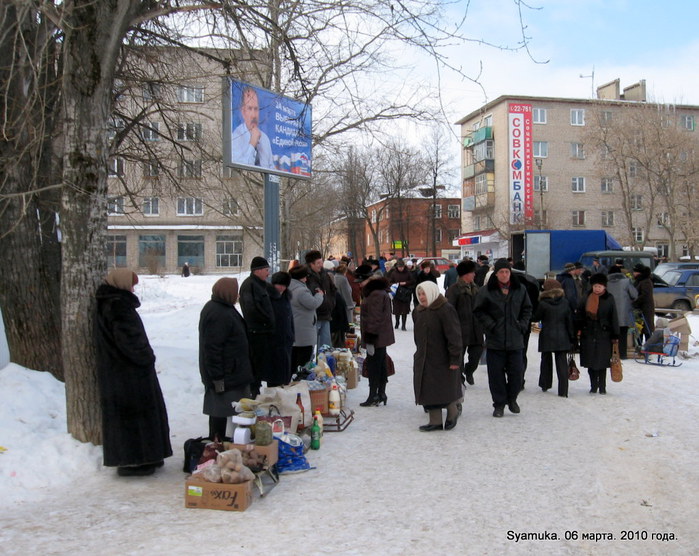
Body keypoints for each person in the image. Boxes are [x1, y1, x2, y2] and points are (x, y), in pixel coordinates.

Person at [94, 268, 172, 476]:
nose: (132, 288)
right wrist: (146, 356)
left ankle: (142, 458)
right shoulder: (118, 305)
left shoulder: (110, 303)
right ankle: (137, 460)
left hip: (120, 372)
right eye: (131, 284)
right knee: (137, 418)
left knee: (131, 418)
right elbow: (129, 340)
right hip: (128, 373)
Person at [474, 258, 532, 418]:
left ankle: (512, 399)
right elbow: (478, 311)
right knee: (496, 376)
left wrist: (522, 325)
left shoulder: (519, 289)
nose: (505, 275)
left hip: (515, 340)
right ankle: (499, 404)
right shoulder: (486, 291)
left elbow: (527, 309)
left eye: (507, 271)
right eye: (501, 272)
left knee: (517, 373)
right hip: (495, 340)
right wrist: (491, 325)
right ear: (496, 273)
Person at [198, 277, 254, 441]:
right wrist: (217, 378)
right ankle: (217, 444)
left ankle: (222, 442)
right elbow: (212, 349)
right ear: (227, 293)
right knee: (219, 411)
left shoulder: (223, 308)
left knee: (225, 410)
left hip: (231, 370)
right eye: (235, 292)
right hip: (225, 373)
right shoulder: (218, 313)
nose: (237, 295)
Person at [413, 281, 463, 431]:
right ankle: (434, 421)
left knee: (444, 388)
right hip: (424, 358)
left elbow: (454, 336)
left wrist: (455, 358)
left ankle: (452, 412)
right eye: (419, 294)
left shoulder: (445, 309)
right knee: (428, 389)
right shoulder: (418, 311)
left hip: (443, 358)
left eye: (424, 294)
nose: (422, 297)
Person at [576, 273, 620, 394]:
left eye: (600, 286)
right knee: (590, 361)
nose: (597, 288)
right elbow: (579, 312)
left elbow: (614, 316)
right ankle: (593, 385)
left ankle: (602, 386)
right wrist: (579, 326)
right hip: (588, 332)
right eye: (595, 286)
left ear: (604, 287)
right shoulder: (586, 296)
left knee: (602, 361)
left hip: (604, 333)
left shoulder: (609, 298)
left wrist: (615, 334)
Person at [239, 256, 276, 396]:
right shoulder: (249, 286)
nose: (268, 273)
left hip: (263, 332)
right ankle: (253, 393)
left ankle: (257, 390)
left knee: (261, 365)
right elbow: (251, 310)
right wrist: (267, 320)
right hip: (256, 333)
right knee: (256, 365)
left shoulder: (261, 284)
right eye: (266, 270)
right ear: (257, 271)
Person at [532, 279, 574, 397]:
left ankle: (545, 384)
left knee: (546, 360)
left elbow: (535, 317)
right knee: (561, 364)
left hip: (547, 335)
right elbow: (569, 321)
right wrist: (572, 337)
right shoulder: (565, 302)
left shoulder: (543, 304)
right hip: (562, 335)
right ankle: (563, 390)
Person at [445, 260, 484, 387]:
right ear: (465, 274)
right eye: (472, 272)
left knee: (476, 355)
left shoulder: (476, 289)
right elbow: (449, 311)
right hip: (460, 329)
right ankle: (460, 377)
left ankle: (469, 370)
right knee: (459, 356)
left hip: (476, 329)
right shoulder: (454, 290)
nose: (474, 275)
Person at [359, 273, 395, 407]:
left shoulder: (375, 294)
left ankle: (374, 395)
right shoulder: (380, 292)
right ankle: (380, 393)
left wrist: (369, 339)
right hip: (381, 336)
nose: (360, 284)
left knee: (374, 366)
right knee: (380, 364)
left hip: (375, 336)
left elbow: (374, 318)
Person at [288, 265, 324, 376]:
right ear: (302, 277)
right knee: (303, 362)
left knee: (294, 360)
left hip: (296, 329)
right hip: (304, 332)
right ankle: (300, 382)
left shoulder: (290, 287)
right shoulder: (301, 291)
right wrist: (320, 295)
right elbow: (312, 304)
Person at [231, 86, 274, 169]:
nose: (253, 115)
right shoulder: (236, 137)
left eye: (256, 109)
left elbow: (271, 170)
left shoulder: (264, 138)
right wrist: (252, 143)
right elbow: (242, 171)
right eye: (250, 109)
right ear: (243, 112)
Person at [305, 250, 337, 349]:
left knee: (326, 346)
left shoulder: (325, 275)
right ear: (311, 264)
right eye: (318, 263)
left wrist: (331, 303)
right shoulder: (307, 277)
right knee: (313, 348)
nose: (321, 265)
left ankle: (325, 364)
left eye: (321, 262)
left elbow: (333, 290)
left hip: (326, 315)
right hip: (315, 316)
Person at [268, 272, 295, 386]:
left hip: (286, 338)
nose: (281, 288)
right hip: (274, 340)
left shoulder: (285, 297)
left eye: (284, 285)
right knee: (275, 372)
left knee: (285, 370)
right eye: (279, 285)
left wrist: (292, 334)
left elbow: (290, 317)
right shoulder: (269, 297)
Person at [606, 265, 638, 359]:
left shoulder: (606, 283)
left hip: (609, 314)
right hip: (623, 314)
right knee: (623, 335)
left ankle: (610, 354)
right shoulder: (626, 282)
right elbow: (634, 294)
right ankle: (622, 354)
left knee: (610, 335)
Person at [387, 258, 415, 331]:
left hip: (405, 293)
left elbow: (412, 281)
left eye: (402, 267)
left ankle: (403, 325)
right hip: (396, 293)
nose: (401, 268)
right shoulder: (394, 273)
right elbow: (390, 282)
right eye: (399, 267)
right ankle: (397, 322)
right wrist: (396, 284)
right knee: (397, 309)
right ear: (397, 267)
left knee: (405, 310)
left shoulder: (408, 272)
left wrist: (405, 283)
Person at [632, 263, 655, 343]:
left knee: (646, 329)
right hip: (639, 309)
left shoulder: (646, 282)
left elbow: (645, 295)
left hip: (645, 310)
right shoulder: (639, 281)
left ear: (639, 273)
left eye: (635, 272)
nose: (633, 273)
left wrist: (635, 301)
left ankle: (648, 347)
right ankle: (640, 346)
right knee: (640, 329)